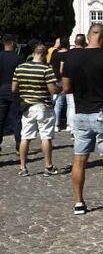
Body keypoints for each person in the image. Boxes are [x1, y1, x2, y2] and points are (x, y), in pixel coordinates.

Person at [62, 24, 103, 214]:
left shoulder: (72, 57)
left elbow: (66, 88)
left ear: (89, 35)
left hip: (81, 113)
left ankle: (79, 203)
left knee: (79, 160)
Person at [11, 43, 59, 176]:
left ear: (33, 53)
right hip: (43, 106)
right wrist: (59, 89)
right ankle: (48, 166)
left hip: (27, 106)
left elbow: (14, 88)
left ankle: (23, 167)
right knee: (46, 136)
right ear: (44, 55)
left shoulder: (20, 68)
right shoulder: (46, 69)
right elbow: (52, 89)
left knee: (25, 137)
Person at [0, 34, 22, 153]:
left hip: (1, 89)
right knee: (16, 118)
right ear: (13, 43)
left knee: (1, 119)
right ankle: (19, 144)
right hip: (15, 90)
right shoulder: (18, 58)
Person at [49, 37, 70, 131]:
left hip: (56, 79)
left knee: (58, 103)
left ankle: (56, 124)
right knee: (70, 104)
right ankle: (69, 125)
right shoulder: (70, 54)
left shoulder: (55, 54)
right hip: (67, 79)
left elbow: (51, 66)